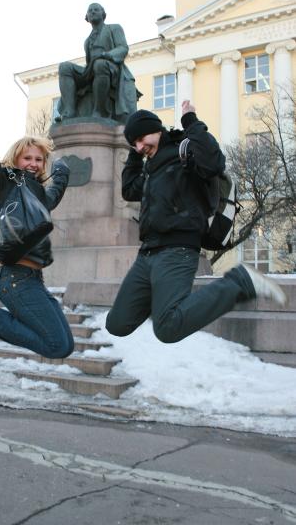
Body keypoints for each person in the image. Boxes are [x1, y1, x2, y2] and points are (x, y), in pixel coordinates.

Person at [106, 101, 287, 344]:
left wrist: (191, 121)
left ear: (156, 128)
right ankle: (163, 302)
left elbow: (214, 163)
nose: (140, 146)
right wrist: (134, 152)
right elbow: (129, 190)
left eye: (141, 139)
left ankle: (240, 282)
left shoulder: (185, 150)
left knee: (168, 329)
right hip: (147, 253)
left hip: (177, 249)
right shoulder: (152, 168)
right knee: (116, 324)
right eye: (134, 143)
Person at [0, 63, 74, 359]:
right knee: (57, 345)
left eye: (39, 160)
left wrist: (61, 173)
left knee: (65, 345)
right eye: (27, 157)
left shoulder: (37, 195)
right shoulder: (1, 182)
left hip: (33, 278)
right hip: (13, 277)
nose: (33, 163)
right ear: (15, 159)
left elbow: (51, 197)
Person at [57, 2, 140, 122]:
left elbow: (123, 48)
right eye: (90, 10)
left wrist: (106, 55)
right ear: (87, 17)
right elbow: (89, 62)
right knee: (64, 67)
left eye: (96, 9)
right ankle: (69, 112)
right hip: (91, 69)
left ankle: (100, 111)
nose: (93, 12)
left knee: (100, 64)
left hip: (112, 68)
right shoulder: (87, 41)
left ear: (103, 14)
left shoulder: (114, 28)